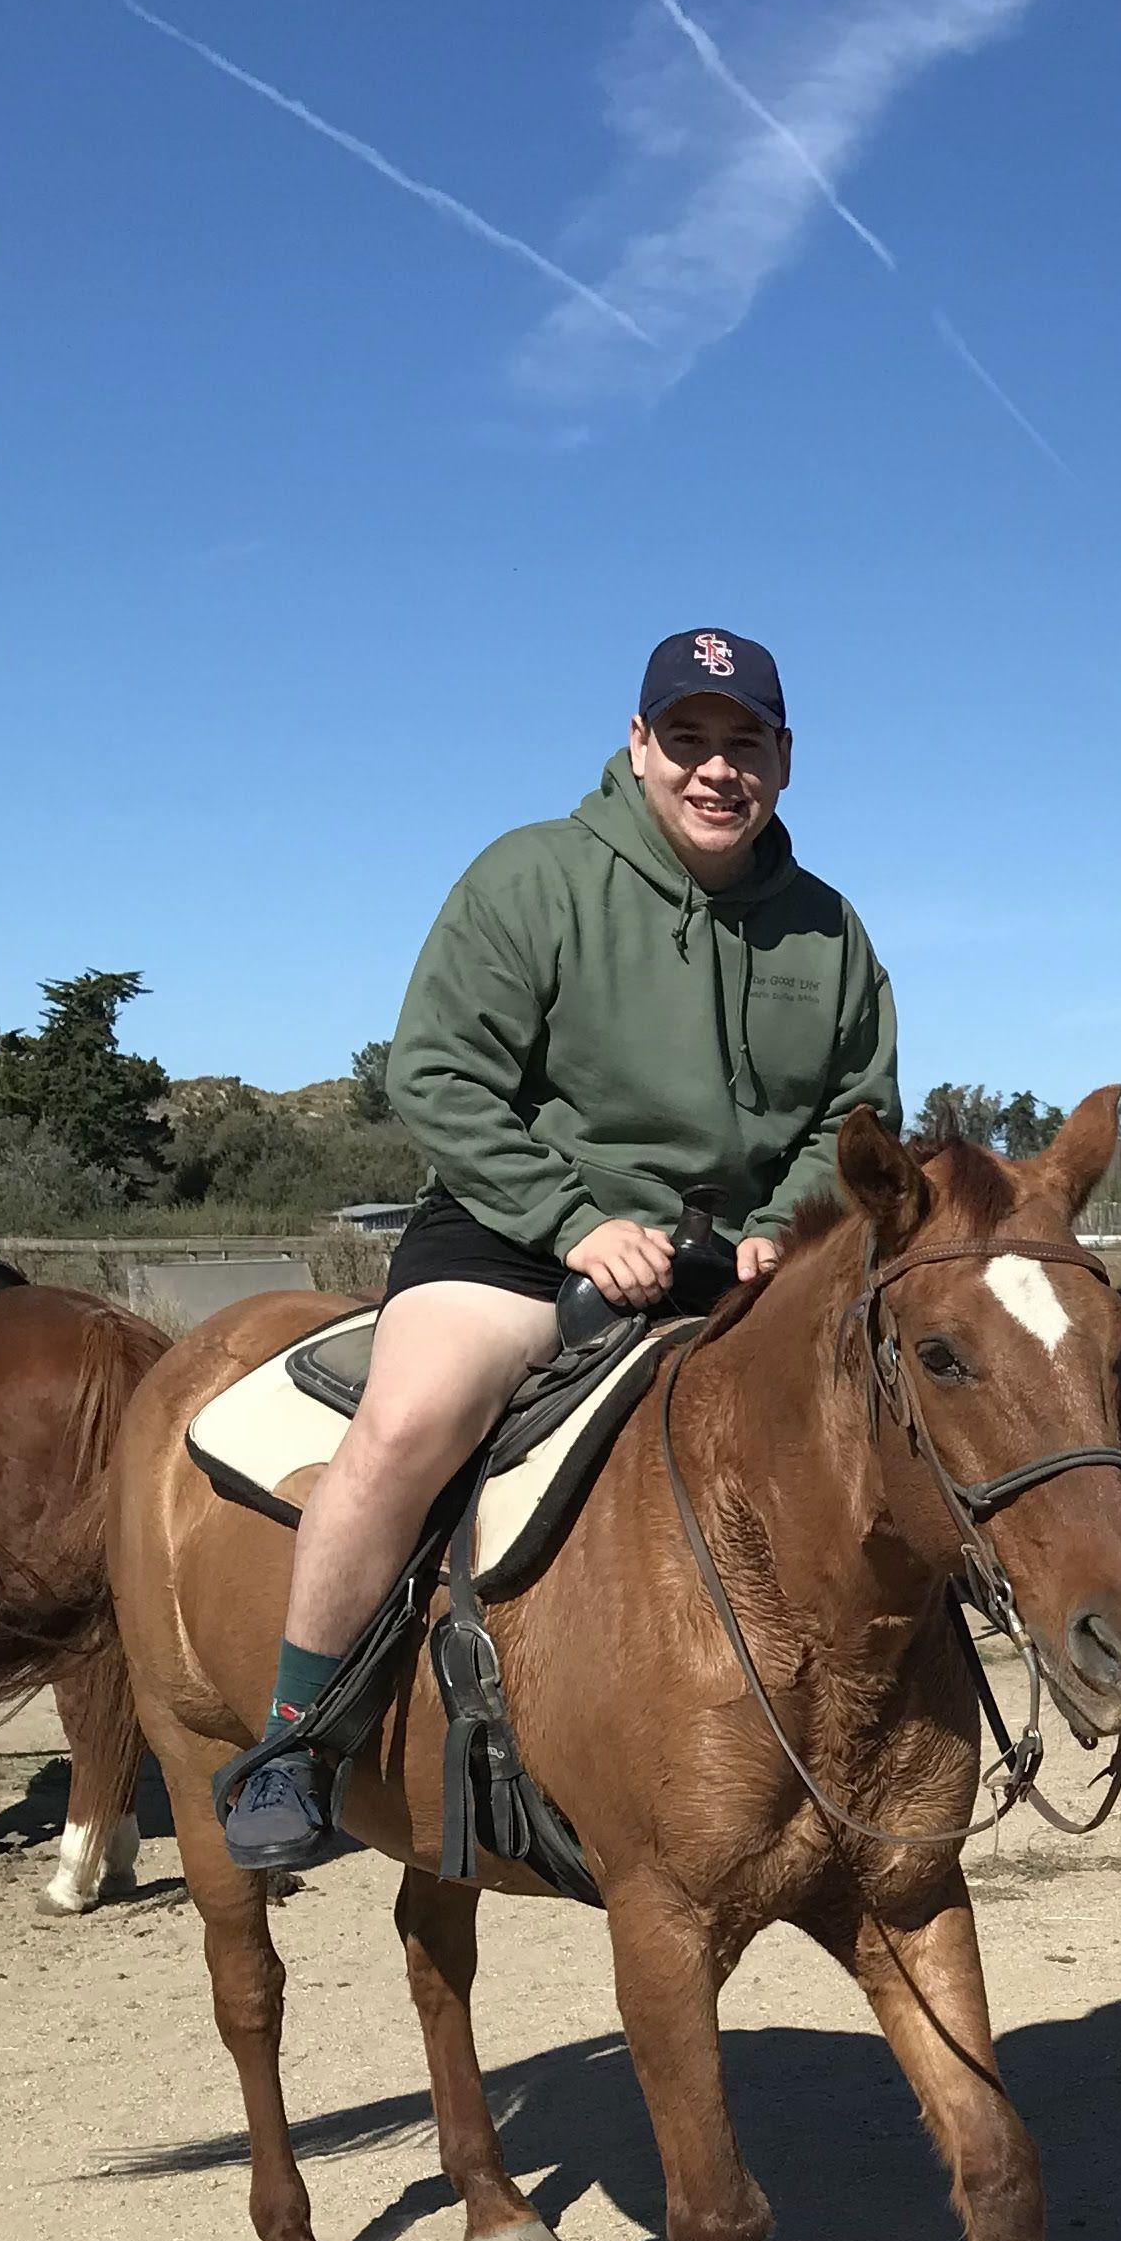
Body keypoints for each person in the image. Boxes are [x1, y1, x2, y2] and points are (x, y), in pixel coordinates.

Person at [213, 627, 901, 1868]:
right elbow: (436, 1072)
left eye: (743, 744)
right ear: (639, 746)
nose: (715, 769)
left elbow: (857, 1116)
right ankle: (297, 1737)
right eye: (686, 739)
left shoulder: (829, 932)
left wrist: (771, 1237)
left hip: (734, 1271)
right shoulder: (531, 879)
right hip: (514, 1241)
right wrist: (577, 1223)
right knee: (407, 1430)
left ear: (786, 762)